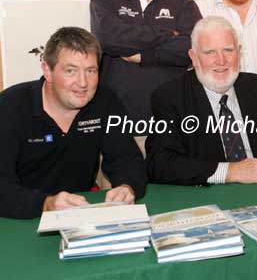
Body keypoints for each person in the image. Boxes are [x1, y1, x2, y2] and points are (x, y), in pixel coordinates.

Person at [146, 17, 257, 185]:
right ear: (194, 57)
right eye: (210, 52)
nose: (221, 60)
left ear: (239, 53)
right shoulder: (170, 97)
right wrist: (230, 171)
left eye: (228, 50)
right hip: (207, 196)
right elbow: (160, 164)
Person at [0, 27, 147, 219]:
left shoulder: (105, 100)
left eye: (90, 71)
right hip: (16, 219)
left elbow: (127, 160)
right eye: (71, 71)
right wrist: (46, 204)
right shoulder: (10, 106)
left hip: (79, 218)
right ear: (47, 70)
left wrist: (127, 186)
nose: (83, 82)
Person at [90, 0, 201, 124]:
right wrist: (167, 35)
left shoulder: (182, 0)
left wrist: (144, 56)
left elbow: (194, 47)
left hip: (173, 122)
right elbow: (109, 38)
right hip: (118, 122)